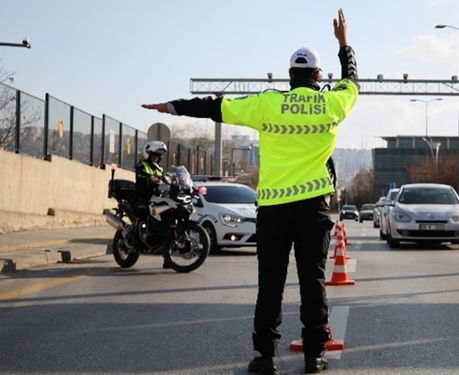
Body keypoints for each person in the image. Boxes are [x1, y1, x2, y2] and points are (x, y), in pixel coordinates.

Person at [141, 9, 358, 374]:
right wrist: (344, 44)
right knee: (313, 281)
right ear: (318, 76)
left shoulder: (267, 102)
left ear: (290, 76)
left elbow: (215, 107)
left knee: (270, 285)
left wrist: (172, 107)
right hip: (313, 209)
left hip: (273, 209)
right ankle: (314, 356)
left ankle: (265, 358)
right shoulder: (332, 102)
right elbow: (352, 81)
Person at [134, 140, 171, 268]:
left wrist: (173, 182)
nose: (157, 157)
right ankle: (136, 239)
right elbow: (140, 171)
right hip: (143, 197)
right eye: (155, 154)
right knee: (142, 214)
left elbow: (165, 179)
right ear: (148, 154)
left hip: (156, 199)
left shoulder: (159, 168)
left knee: (166, 226)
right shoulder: (142, 164)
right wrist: (148, 177)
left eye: (159, 155)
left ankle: (168, 259)